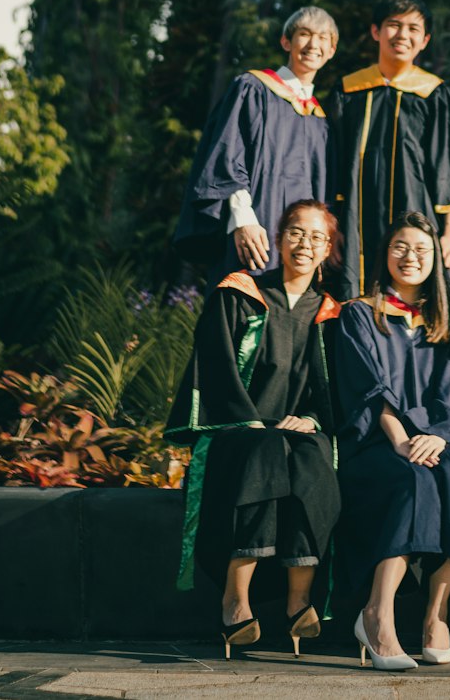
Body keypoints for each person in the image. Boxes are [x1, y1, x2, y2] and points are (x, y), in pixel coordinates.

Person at [165, 200, 343, 660]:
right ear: (279, 239)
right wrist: (250, 421)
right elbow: (217, 369)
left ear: (328, 250)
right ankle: (235, 597)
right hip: (236, 431)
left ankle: (297, 599)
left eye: (316, 237)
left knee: (310, 454)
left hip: (293, 434)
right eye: (296, 233)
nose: (305, 244)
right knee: (266, 451)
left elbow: (335, 391)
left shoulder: (331, 314)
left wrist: (314, 419)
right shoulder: (238, 294)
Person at [334, 211, 450, 669]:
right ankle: (377, 614)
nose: (411, 256)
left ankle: (435, 615)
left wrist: (438, 438)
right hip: (376, 446)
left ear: (436, 260)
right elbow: (367, 388)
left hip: (435, 443)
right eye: (400, 246)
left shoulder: (449, 323)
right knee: (413, 480)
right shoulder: (360, 314)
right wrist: (402, 439)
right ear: (385, 254)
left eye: (422, 249)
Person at [327, 0, 450, 298]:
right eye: (394, 25)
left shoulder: (434, 95)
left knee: (422, 298)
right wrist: (332, 225)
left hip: (418, 213)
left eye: (413, 29)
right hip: (354, 220)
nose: (403, 35)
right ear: (376, 32)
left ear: (425, 40)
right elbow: (331, 162)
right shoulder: (349, 91)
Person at [175, 7, 337, 275]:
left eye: (323, 38)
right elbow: (228, 155)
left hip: (302, 252)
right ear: (286, 41)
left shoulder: (320, 120)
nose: (313, 44)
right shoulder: (253, 89)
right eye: (304, 34)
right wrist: (242, 220)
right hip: (255, 230)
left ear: (331, 50)